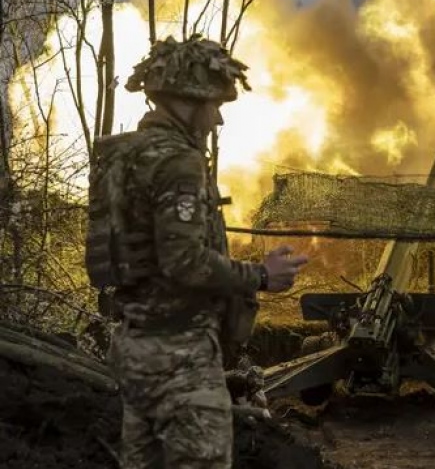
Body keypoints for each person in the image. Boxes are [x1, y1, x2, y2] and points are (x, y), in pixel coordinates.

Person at [99, 35, 308, 468]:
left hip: (134, 345)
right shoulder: (178, 162)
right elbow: (185, 262)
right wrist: (262, 275)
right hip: (182, 356)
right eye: (213, 105)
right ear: (186, 100)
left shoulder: (124, 156)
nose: (217, 118)